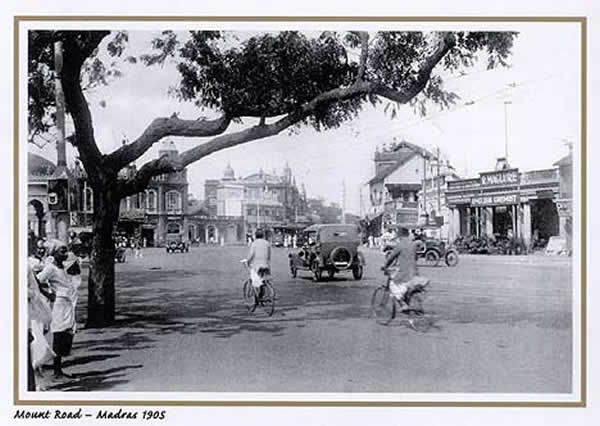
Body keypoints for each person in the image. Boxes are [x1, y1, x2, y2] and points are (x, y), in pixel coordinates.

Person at [36, 240, 82, 379]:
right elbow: (37, 280)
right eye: (62, 251)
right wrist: (48, 294)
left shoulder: (63, 267)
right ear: (54, 252)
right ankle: (56, 370)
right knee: (59, 335)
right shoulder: (50, 268)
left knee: (66, 334)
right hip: (59, 304)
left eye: (65, 251)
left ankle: (59, 368)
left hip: (68, 303)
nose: (65, 254)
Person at [382, 227, 429, 312]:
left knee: (392, 285)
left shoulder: (400, 245)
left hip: (405, 274)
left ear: (400, 235)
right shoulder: (412, 244)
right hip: (415, 272)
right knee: (406, 289)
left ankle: (403, 304)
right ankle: (408, 302)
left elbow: (391, 258)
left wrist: (385, 266)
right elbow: (415, 258)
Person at [245, 229, 271, 294]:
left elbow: (251, 255)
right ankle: (263, 289)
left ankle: (257, 294)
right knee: (262, 279)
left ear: (255, 235)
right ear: (263, 235)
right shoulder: (267, 243)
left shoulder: (254, 243)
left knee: (255, 280)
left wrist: (247, 262)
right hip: (266, 266)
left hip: (257, 266)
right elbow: (269, 256)